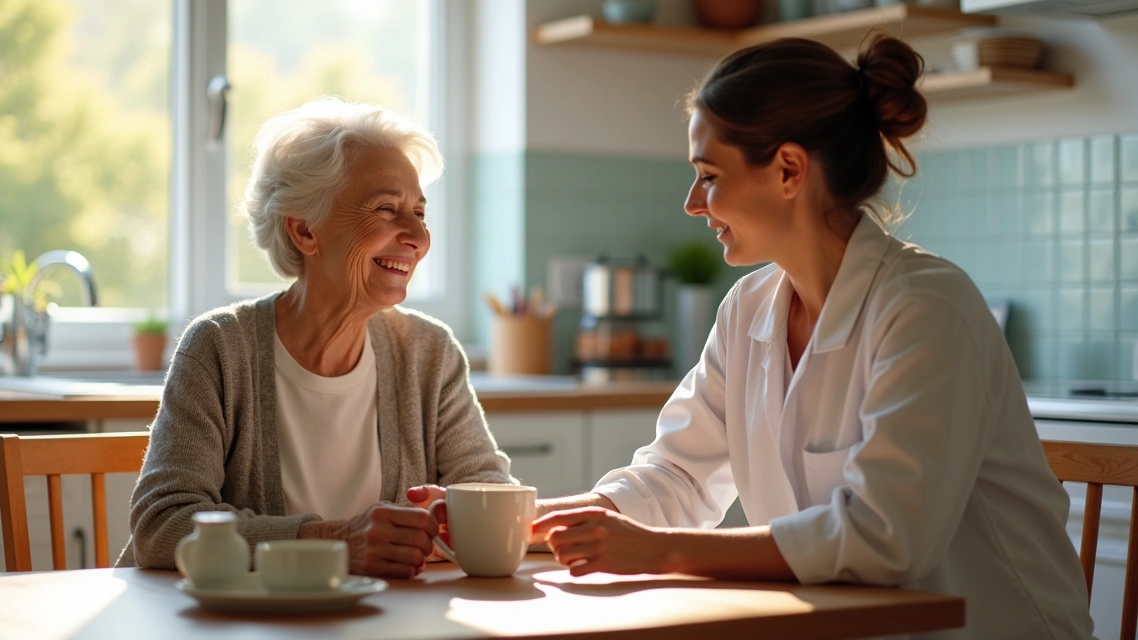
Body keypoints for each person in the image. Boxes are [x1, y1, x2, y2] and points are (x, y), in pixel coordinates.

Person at [531, 36, 1095, 639]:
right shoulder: (747, 308)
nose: (693, 203)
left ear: (789, 170)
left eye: (709, 176)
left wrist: (660, 551)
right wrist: (531, 524)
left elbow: (884, 538)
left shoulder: (926, 307)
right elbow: (680, 475)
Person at [118, 97, 513, 579]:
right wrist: (333, 543)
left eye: (420, 213)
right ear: (305, 230)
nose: (417, 236)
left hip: (389, 624)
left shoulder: (428, 352)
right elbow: (162, 526)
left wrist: (457, 511)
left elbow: (490, 489)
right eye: (387, 209)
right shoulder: (220, 348)